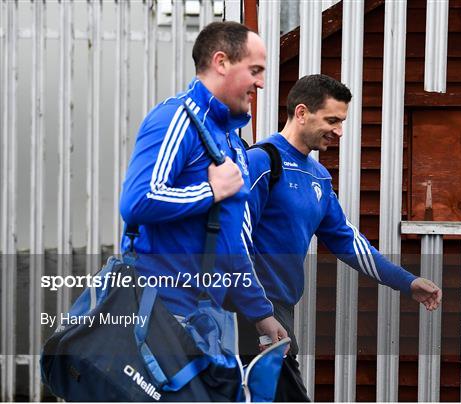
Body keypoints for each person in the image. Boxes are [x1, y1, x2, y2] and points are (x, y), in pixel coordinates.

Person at [239, 74, 443, 401]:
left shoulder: (318, 176)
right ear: (302, 112)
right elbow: (234, 242)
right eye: (332, 120)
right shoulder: (261, 162)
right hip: (248, 316)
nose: (339, 131)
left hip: (279, 317)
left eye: (342, 121)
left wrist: (407, 282)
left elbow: (348, 242)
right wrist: (259, 313)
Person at [119, 21, 288, 363]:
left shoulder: (231, 141)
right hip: (159, 318)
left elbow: (231, 240)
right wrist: (210, 190)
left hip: (206, 321)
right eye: (254, 70)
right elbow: (137, 201)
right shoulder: (175, 119)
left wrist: (260, 313)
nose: (262, 82)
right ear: (221, 62)